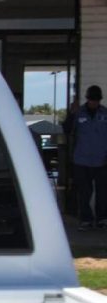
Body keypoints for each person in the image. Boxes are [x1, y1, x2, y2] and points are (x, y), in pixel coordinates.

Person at [64, 85, 107, 230]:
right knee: (84, 192)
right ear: (87, 99)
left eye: (96, 100)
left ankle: (102, 219)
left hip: (102, 161)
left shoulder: (105, 114)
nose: (94, 102)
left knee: (102, 192)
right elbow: (67, 129)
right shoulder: (78, 113)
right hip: (81, 160)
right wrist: (71, 114)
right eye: (91, 99)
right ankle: (86, 220)